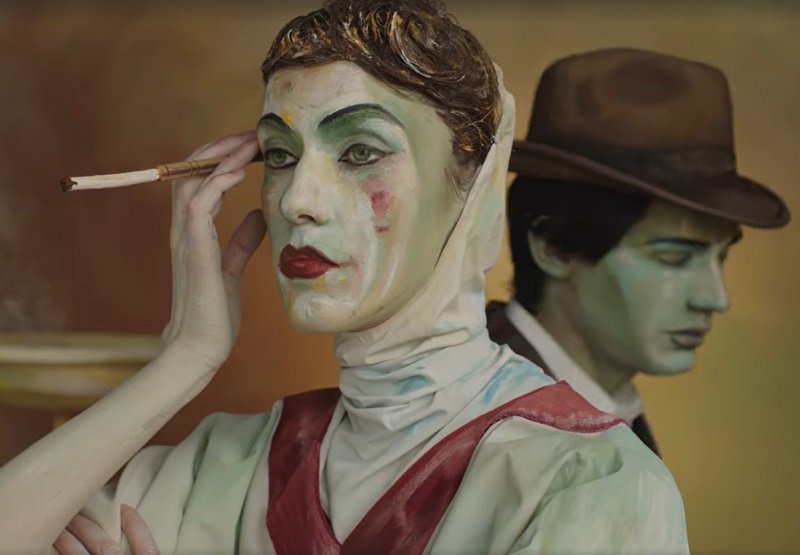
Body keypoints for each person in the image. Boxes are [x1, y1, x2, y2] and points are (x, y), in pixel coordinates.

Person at [1, 6, 688, 554]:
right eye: (279, 154)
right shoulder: (221, 466)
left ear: (473, 184)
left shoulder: (589, 483)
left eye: (360, 150)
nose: (298, 199)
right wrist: (184, 359)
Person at [488, 48, 790, 455]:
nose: (716, 298)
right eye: (674, 257)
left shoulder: (597, 406)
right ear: (552, 247)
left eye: (721, 256)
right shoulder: (488, 421)